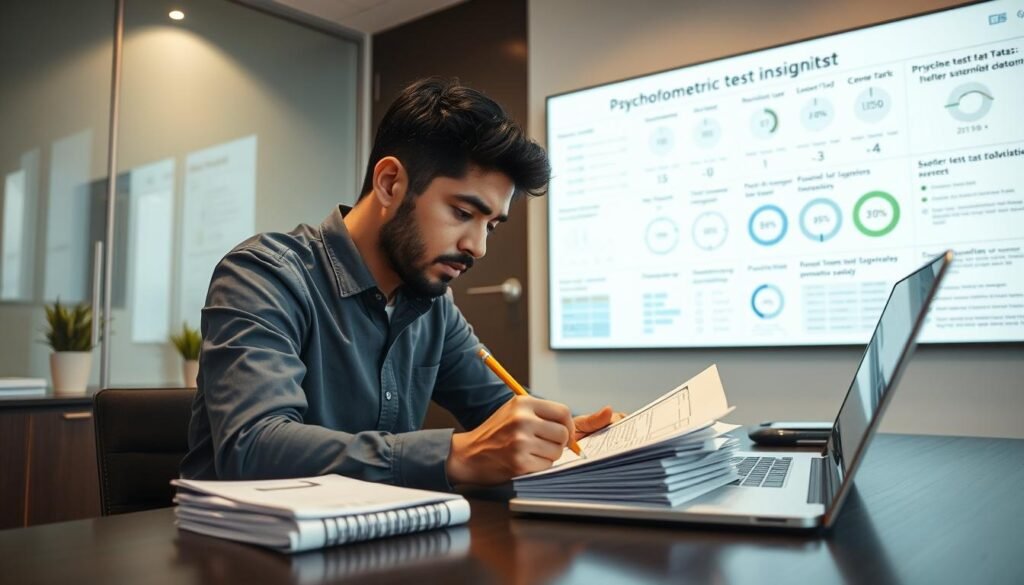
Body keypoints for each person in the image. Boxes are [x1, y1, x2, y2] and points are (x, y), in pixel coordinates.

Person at [180, 78, 621, 490]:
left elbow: (503, 410)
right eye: (464, 213)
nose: (478, 247)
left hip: (370, 545)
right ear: (390, 183)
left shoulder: (432, 308)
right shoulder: (263, 275)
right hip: (237, 553)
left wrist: (566, 433)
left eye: (492, 225)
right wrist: (455, 454)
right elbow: (254, 447)